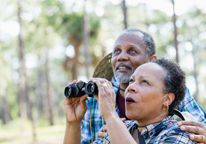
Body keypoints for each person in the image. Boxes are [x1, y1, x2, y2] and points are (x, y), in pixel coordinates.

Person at [65, 29, 206, 143]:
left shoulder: (178, 132)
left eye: (132, 51)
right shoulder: (96, 97)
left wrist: (110, 116)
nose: (121, 57)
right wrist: (73, 123)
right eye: (116, 51)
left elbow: (199, 129)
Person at [64, 58, 196, 143]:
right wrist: (73, 123)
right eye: (131, 81)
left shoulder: (181, 134)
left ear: (167, 99)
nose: (130, 87)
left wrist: (110, 114)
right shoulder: (121, 129)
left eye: (144, 82)